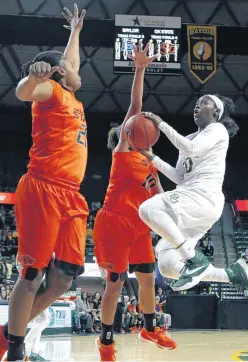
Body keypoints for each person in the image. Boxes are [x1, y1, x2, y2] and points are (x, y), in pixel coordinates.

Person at [0, 5, 89, 361]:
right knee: (33, 272)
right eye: (68, 66)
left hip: (71, 195)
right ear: (56, 73)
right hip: (43, 187)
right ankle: (17, 350)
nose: (75, 67)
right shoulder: (50, 91)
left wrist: (75, 32)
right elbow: (23, 92)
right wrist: (34, 77)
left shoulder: (72, 93)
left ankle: (10, 334)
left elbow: (72, 63)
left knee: (64, 278)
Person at [93, 43, 176, 361]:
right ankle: (106, 341)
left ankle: (150, 328)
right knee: (114, 285)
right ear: (126, 136)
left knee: (146, 280)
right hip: (114, 223)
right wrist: (140, 68)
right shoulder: (122, 153)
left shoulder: (150, 163)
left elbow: (160, 197)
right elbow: (136, 104)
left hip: (140, 226)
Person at [138, 96, 248, 298]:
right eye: (197, 102)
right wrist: (153, 158)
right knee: (167, 264)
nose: (197, 105)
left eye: (204, 103)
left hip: (203, 196)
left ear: (216, 113)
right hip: (191, 200)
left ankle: (194, 259)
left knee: (148, 209)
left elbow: (190, 148)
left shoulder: (217, 130)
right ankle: (232, 274)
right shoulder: (191, 137)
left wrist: (161, 124)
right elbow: (178, 176)